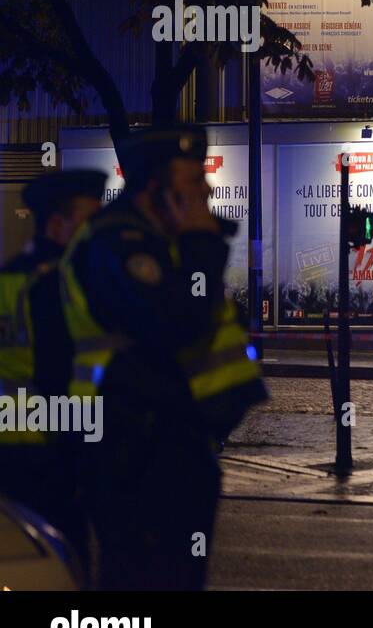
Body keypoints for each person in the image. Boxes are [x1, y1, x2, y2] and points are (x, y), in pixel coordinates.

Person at [60, 126, 266, 590]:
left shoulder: (158, 243)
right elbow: (176, 323)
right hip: (132, 450)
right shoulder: (116, 243)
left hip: (174, 445)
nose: (207, 191)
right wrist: (201, 245)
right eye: (194, 182)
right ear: (156, 186)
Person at [0, 169, 106, 568]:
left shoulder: (12, 274)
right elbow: (59, 378)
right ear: (59, 223)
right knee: (63, 563)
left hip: (11, 444)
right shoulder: (58, 283)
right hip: (51, 452)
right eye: (87, 220)